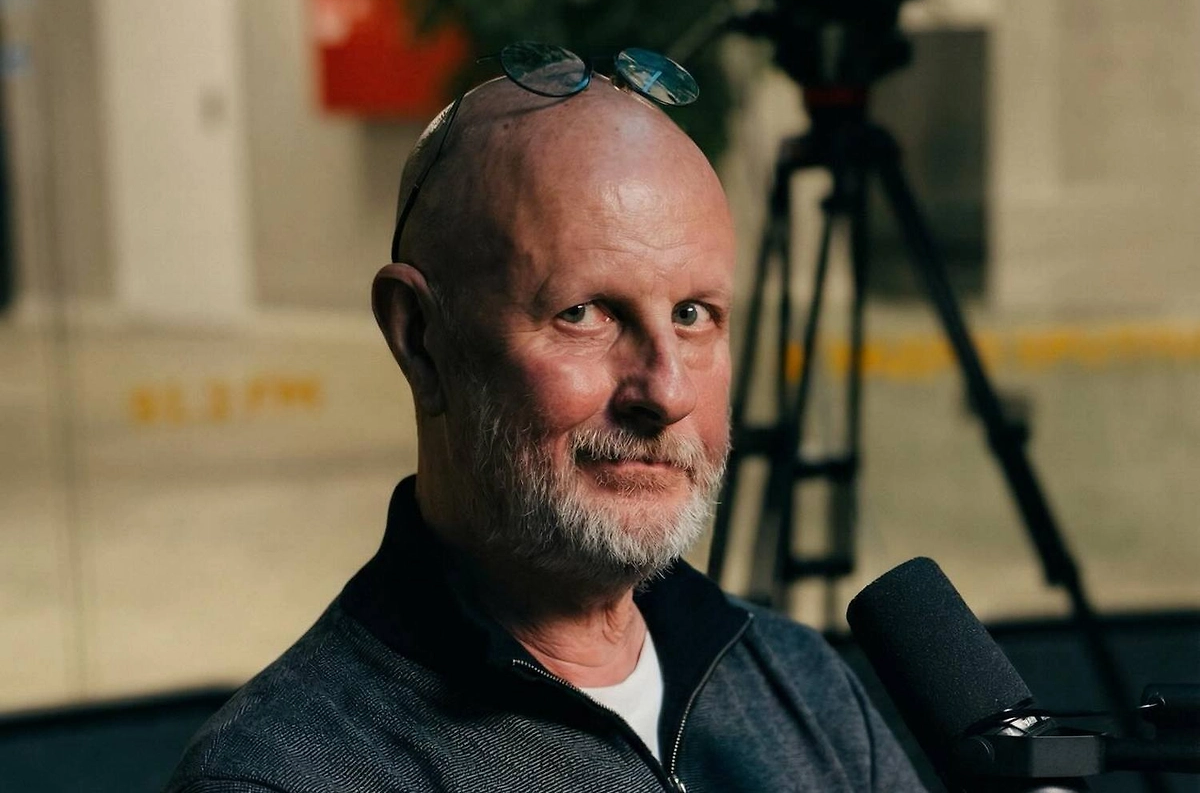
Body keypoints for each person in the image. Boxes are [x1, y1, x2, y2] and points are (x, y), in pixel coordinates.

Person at [166, 57, 927, 792]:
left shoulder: (803, 684)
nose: (665, 392)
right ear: (420, 339)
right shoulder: (282, 777)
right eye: (584, 312)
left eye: (693, 315)